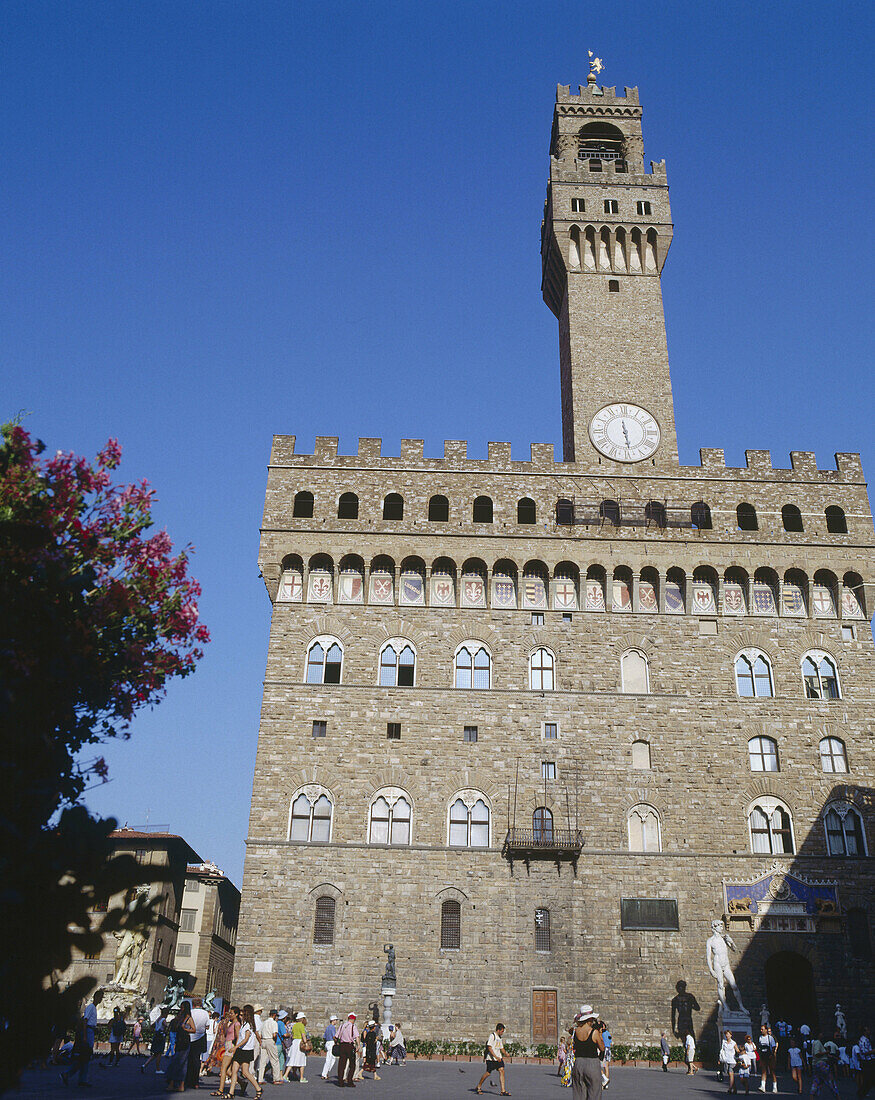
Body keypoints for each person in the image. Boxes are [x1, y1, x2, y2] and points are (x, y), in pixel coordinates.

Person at [61, 990, 103, 1088]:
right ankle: (69, 1074)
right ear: (96, 997)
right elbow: (85, 1020)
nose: (101, 999)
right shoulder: (91, 1007)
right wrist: (84, 1036)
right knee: (84, 1056)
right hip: (88, 1032)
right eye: (101, 997)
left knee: (85, 1057)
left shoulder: (93, 1008)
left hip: (90, 1031)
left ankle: (81, 1079)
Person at [568, 1007, 604, 1100]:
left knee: (579, 1093)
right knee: (594, 1093)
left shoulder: (575, 1031)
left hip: (578, 1063)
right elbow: (602, 1047)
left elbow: (570, 1036)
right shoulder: (594, 1032)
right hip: (592, 1063)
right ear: (590, 1019)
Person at [227, 1004, 262, 1099]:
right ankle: (231, 1092)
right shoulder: (244, 1024)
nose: (241, 1015)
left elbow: (245, 1039)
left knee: (245, 1072)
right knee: (234, 1071)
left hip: (245, 1050)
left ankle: (258, 1088)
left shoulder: (248, 1025)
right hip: (241, 1049)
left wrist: (235, 1047)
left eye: (243, 1013)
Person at [165, 1001, 196, 1093]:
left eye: (182, 1007)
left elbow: (194, 1029)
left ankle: (176, 1084)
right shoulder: (180, 1017)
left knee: (179, 1063)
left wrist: (185, 1028)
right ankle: (177, 1084)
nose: (181, 1009)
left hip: (185, 1042)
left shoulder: (188, 1018)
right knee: (178, 1063)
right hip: (179, 1041)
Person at [211, 1005, 241, 1096]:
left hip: (231, 1046)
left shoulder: (236, 1024)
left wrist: (235, 1048)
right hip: (227, 1046)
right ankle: (242, 1083)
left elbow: (238, 1037)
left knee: (223, 1068)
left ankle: (220, 1089)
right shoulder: (231, 1023)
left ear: (236, 1014)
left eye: (232, 1013)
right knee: (228, 1071)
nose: (230, 1015)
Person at [476, 1022, 510, 1096]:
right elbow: (489, 1047)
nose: (502, 1033)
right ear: (498, 1030)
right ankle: (479, 1086)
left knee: (502, 1070)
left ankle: (503, 1091)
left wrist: (505, 1053)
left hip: (498, 1058)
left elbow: (501, 1048)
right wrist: (495, 1057)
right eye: (502, 1031)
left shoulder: (499, 1038)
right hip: (491, 1059)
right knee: (488, 1073)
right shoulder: (492, 1036)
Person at [188, 994, 211, 1088]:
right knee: (197, 1059)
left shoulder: (190, 1012)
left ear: (193, 1004)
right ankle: (195, 1081)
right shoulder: (205, 1013)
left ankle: (188, 1080)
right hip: (200, 1037)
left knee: (189, 1059)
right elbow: (207, 1026)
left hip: (190, 1037)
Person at [282, 1011, 309, 1083]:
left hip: (294, 1042)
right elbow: (303, 1035)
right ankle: (302, 1077)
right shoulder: (302, 1026)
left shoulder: (295, 1026)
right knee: (302, 1061)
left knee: (292, 1060)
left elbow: (292, 1035)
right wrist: (306, 1043)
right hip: (300, 1042)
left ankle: (285, 1075)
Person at [334, 1012, 359, 1088]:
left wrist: (337, 1043)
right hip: (349, 1046)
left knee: (341, 1064)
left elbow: (335, 1036)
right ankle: (349, 1081)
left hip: (342, 1046)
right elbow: (357, 1036)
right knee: (352, 1065)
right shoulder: (353, 1026)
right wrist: (358, 1046)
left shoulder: (342, 1026)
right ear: (353, 1019)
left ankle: (340, 1081)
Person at [142, 1009, 168, 1075]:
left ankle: (145, 1065)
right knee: (159, 1053)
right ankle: (158, 1069)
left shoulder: (158, 1019)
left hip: (156, 1036)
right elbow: (165, 1025)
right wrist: (165, 1030)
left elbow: (152, 1026)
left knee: (155, 1054)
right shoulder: (163, 1020)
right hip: (160, 1037)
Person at [757, 1023, 778, 1093]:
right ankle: (763, 1086)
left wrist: (772, 1054)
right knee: (763, 1071)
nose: (761, 1030)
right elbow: (760, 1047)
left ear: (766, 1030)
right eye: (761, 1029)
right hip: (763, 1055)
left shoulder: (770, 1038)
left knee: (772, 1071)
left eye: (762, 1029)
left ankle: (775, 1087)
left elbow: (773, 1046)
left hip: (769, 1055)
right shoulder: (760, 1038)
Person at [720, 1029, 739, 1095]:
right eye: (726, 1034)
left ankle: (730, 1088)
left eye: (728, 1034)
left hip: (732, 1061)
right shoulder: (724, 1042)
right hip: (726, 1060)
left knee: (731, 1073)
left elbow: (737, 1051)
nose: (727, 1035)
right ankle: (735, 1088)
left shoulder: (733, 1043)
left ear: (731, 1035)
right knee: (729, 1074)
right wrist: (720, 1059)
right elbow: (722, 1051)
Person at [321, 1014, 339, 1080]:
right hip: (331, 1042)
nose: (336, 1021)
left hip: (327, 1042)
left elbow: (324, 1037)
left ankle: (326, 1072)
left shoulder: (328, 1027)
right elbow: (334, 1036)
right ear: (333, 1020)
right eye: (336, 1020)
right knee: (330, 1059)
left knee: (332, 1058)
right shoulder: (332, 1027)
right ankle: (324, 1073)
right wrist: (337, 1042)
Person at [601, 1023, 611, 1089]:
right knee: (606, 1067)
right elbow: (610, 1040)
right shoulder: (608, 1033)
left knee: (599, 1065)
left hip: (604, 1050)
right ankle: (606, 1084)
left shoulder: (601, 1034)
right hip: (608, 1049)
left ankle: (605, 1079)